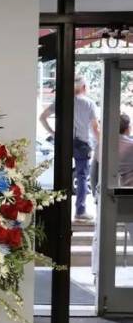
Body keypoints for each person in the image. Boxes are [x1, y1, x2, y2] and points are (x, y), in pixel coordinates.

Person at [40, 75, 100, 223]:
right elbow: (95, 128)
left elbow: (42, 117)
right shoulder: (89, 103)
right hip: (82, 144)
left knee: (61, 176)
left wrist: (53, 133)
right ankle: (80, 211)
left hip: (64, 142)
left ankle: (59, 210)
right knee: (81, 177)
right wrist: (100, 143)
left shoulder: (61, 102)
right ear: (84, 88)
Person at [118, 114, 133, 186]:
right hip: (128, 190)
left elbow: (93, 173)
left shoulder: (103, 145)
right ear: (128, 128)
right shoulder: (131, 145)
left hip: (107, 192)